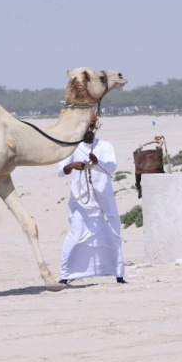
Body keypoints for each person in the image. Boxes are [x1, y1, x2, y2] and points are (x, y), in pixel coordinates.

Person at [57, 117, 126, 285]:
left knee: (112, 232)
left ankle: (118, 274)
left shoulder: (105, 146)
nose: (89, 131)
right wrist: (72, 166)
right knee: (76, 233)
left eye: (91, 128)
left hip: (103, 199)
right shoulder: (72, 147)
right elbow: (60, 170)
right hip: (81, 201)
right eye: (86, 128)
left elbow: (111, 167)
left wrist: (96, 163)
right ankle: (65, 275)